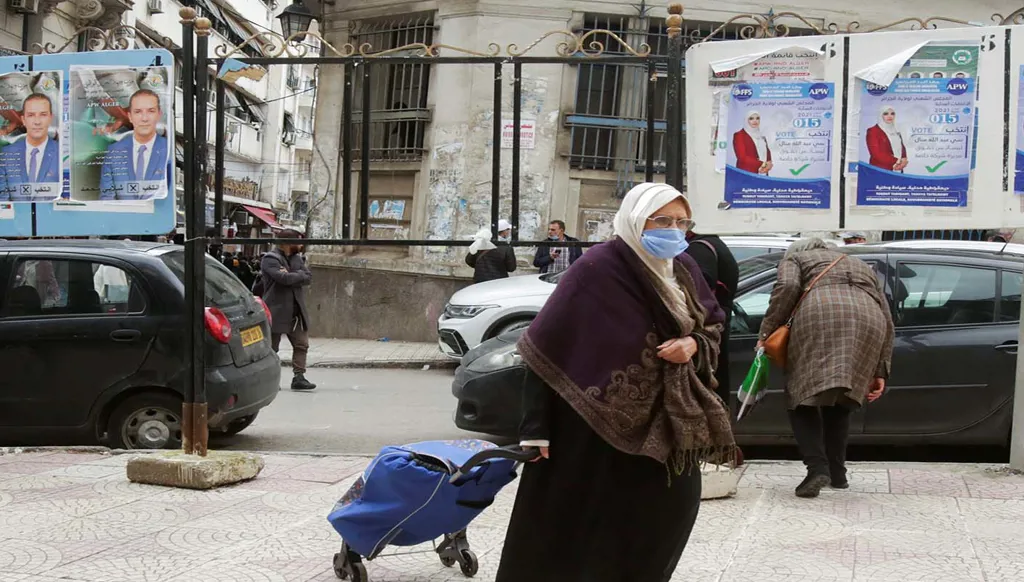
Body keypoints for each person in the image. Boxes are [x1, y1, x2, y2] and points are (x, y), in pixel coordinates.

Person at [495, 183, 736, 582]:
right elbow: (544, 348)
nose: (674, 230)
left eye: (682, 222)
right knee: (589, 533)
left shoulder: (684, 267)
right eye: (663, 221)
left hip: (668, 423)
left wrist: (692, 344)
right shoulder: (598, 267)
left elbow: (712, 323)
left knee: (662, 525)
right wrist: (535, 428)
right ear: (636, 220)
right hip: (591, 430)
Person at [756, 238, 894, 498]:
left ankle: (816, 468)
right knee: (841, 401)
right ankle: (838, 474)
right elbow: (886, 314)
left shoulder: (795, 259)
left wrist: (766, 332)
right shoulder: (860, 264)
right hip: (870, 322)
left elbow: (787, 286)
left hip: (820, 316)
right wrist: (881, 369)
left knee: (801, 398)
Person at [684, 229, 739, 404]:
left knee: (706, 389)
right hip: (717, 324)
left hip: (705, 329)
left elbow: (697, 294)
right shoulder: (714, 244)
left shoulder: (700, 249)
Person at [261, 229, 316, 391]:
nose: (300, 246)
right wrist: (296, 275)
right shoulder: (270, 259)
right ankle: (269, 380)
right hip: (276, 309)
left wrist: (293, 274)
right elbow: (283, 279)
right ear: (287, 243)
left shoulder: (296, 258)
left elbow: (308, 277)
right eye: (297, 242)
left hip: (296, 310)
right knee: (272, 348)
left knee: (302, 344)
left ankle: (299, 376)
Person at [99, 89, 169, 200]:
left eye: (151, 111)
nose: (144, 118)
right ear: (130, 116)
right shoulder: (113, 152)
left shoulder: (168, 149)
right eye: (138, 112)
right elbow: (107, 198)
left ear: (159, 115)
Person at [0, 93, 60, 202]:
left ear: (50, 118)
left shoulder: (62, 154)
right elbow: (2, 202)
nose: (37, 122)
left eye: (43, 114)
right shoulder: (6, 155)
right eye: (31, 115)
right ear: (23, 120)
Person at [465, 219, 517, 283]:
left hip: (480, 281)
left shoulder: (481, 242)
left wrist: (480, 268)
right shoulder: (506, 247)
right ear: (504, 231)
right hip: (498, 281)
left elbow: (468, 260)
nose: (509, 231)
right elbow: (511, 268)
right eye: (508, 229)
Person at [866, 106, 908, 172]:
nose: (890, 116)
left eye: (892, 113)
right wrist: (896, 161)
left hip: (897, 169)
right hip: (881, 169)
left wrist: (904, 159)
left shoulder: (896, 129)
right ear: (880, 115)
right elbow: (876, 153)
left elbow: (901, 146)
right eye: (886, 114)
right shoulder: (873, 131)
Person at [732, 110, 772, 175]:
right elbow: (742, 158)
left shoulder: (762, 136)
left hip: (763, 173)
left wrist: (769, 164)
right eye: (751, 118)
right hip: (747, 174)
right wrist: (762, 164)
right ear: (746, 120)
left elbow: (767, 153)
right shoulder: (739, 135)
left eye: (757, 118)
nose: (755, 121)